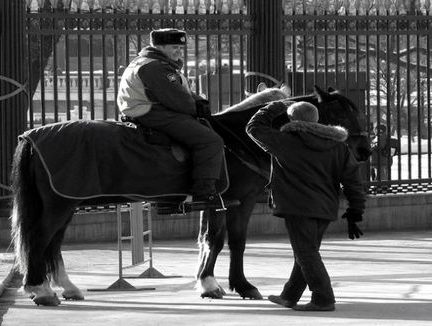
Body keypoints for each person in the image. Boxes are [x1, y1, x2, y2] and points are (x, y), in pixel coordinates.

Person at [246, 99, 366, 311]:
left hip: (297, 206)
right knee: (306, 251)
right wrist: (355, 209)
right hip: (326, 207)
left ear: (292, 119)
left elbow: (253, 127)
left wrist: (275, 105)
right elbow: (352, 180)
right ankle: (289, 295)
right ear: (317, 118)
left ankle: (323, 298)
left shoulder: (283, 141)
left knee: (306, 253)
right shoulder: (338, 145)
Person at [117, 28, 225, 206]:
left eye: (180, 48)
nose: (179, 51)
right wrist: (196, 108)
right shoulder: (154, 67)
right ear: (159, 46)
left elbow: (182, 92)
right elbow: (177, 100)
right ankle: (203, 191)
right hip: (153, 113)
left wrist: (199, 101)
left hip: (150, 109)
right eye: (174, 47)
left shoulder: (151, 62)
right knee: (210, 141)